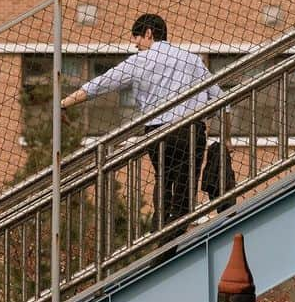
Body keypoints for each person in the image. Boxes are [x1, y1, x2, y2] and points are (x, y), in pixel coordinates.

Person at [61, 13, 224, 228]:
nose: (135, 43)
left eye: (137, 37)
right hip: (190, 129)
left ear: (149, 33)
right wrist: (214, 125)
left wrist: (65, 102)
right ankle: (180, 222)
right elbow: (219, 97)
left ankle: (162, 225)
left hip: (157, 132)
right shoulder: (191, 59)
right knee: (186, 181)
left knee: (164, 179)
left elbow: (102, 83)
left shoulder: (139, 61)